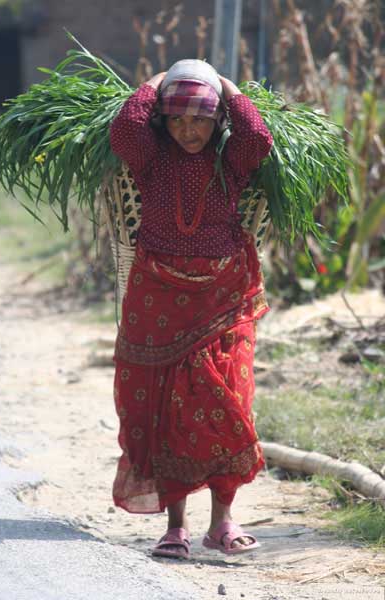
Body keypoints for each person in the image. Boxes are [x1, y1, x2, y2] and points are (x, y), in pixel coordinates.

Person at [109, 59, 273, 559]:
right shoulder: (151, 160)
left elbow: (257, 138)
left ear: (217, 120)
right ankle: (175, 527)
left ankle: (221, 522)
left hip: (223, 297)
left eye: (200, 119)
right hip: (158, 294)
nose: (188, 130)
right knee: (164, 408)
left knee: (228, 402)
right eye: (177, 119)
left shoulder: (230, 163)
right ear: (163, 122)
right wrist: (157, 83)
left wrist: (224, 86)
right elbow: (126, 130)